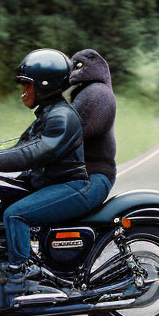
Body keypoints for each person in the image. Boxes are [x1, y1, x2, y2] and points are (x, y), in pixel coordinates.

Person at [0, 49, 93, 301]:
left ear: (45, 85)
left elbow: (33, 153)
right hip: (51, 183)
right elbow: (19, 148)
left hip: (70, 187)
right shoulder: (46, 114)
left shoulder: (62, 117)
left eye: (27, 84)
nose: (23, 90)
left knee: (15, 214)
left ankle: (21, 277)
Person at [68, 49, 116, 210]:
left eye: (78, 66)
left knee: (17, 213)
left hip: (92, 176)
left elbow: (66, 138)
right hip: (85, 175)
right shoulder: (87, 92)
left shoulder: (97, 94)